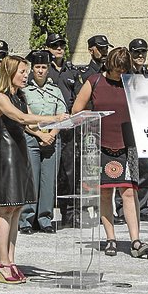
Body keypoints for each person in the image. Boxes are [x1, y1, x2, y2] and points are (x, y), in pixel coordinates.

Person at [0, 55, 68, 283]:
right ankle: (2, 262)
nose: (26, 75)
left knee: (16, 209)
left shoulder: (19, 96)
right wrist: (54, 116)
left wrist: (47, 130)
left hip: (21, 152)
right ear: (10, 72)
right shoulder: (1, 97)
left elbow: (26, 124)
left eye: (26, 71)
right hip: (7, 156)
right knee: (5, 209)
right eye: (22, 71)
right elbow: (20, 117)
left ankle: (11, 260)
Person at [72, 47, 148, 258]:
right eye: (116, 70)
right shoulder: (94, 81)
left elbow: (147, 109)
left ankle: (135, 240)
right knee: (106, 193)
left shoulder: (133, 82)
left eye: (123, 71)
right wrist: (93, 116)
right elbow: (76, 109)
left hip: (128, 146)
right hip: (101, 145)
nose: (119, 75)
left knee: (129, 193)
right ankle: (110, 239)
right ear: (109, 65)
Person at [18, 51, 66, 234]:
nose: (40, 71)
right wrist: (40, 135)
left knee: (48, 181)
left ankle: (45, 219)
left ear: (48, 69)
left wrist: (52, 134)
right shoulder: (25, 91)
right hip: (32, 137)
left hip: (52, 138)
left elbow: (62, 115)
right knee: (32, 179)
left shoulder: (55, 90)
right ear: (32, 69)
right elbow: (24, 119)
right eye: (37, 67)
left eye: (43, 67)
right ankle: (26, 220)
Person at [114, 38, 148, 223]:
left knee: (146, 168)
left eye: (143, 52)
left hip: (146, 128)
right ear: (130, 54)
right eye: (136, 52)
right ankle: (123, 208)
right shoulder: (125, 76)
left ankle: (143, 206)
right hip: (128, 128)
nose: (140, 56)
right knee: (126, 170)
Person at [44, 33, 84, 228]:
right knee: (51, 173)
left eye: (61, 45)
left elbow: (78, 95)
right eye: (55, 45)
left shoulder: (71, 70)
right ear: (48, 48)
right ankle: (45, 215)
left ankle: (70, 215)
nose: (59, 48)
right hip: (50, 126)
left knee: (70, 172)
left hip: (69, 126)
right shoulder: (44, 69)